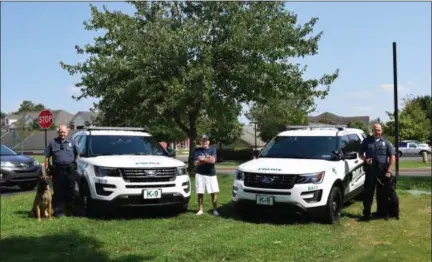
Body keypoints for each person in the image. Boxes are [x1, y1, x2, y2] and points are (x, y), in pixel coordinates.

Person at [359, 123, 398, 221]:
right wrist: (365, 159)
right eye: (376, 130)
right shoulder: (366, 141)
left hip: (383, 171)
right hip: (370, 171)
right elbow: (360, 154)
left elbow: (392, 156)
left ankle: (381, 213)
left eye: (379, 130)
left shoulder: (386, 142)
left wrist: (389, 171)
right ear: (372, 130)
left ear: (382, 131)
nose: (378, 132)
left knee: (382, 194)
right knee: (368, 193)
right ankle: (366, 214)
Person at [44, 125, 80, 217]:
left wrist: (76, 166)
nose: (62, 134)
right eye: (60, 132)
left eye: (64, 132)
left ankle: (72, 211)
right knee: (58, 191)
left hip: (70, 169)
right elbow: (47, 157)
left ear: (67, 133)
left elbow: (78, 155)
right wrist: (46, 171)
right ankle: (58, 211)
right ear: (58, 132)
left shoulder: (72, 142)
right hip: (57, 170)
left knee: (71, 191)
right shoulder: (52, 143)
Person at [193, 134, 219, 216]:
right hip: (200, 174)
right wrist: (208, 159)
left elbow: (213, 161)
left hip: (211, 174)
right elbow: (196, 163)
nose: (204, 142)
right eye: (203, 140)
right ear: (200, 142)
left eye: (206, 140)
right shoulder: (197, 150)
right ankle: (200, 209)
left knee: (213, 192)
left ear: (209, 141)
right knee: (200, 192)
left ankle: (215, 209)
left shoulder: (213, 149)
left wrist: (202, 159)